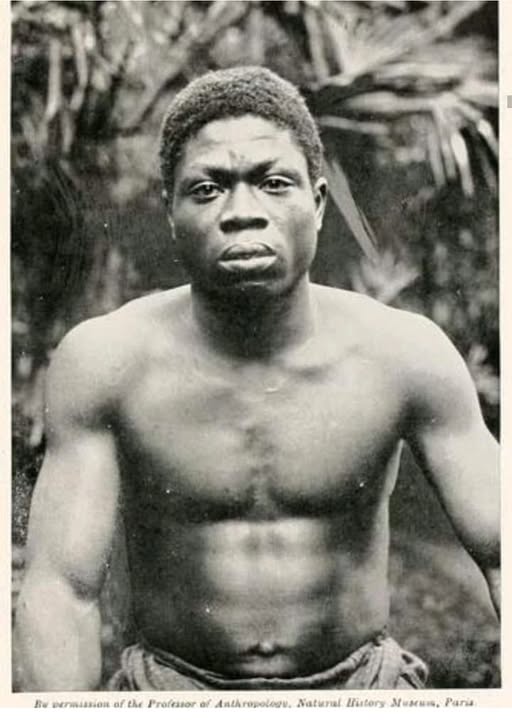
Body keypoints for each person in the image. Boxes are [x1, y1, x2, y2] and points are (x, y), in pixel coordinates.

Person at [14, 66, 499, 691]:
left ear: (317, 204)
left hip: (361, 690)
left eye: (273, 183)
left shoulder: (405, 353)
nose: (242, 213)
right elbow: (61, 590)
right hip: (173, 690)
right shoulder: (107, 360)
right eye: (207, 189)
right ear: (170, 211)